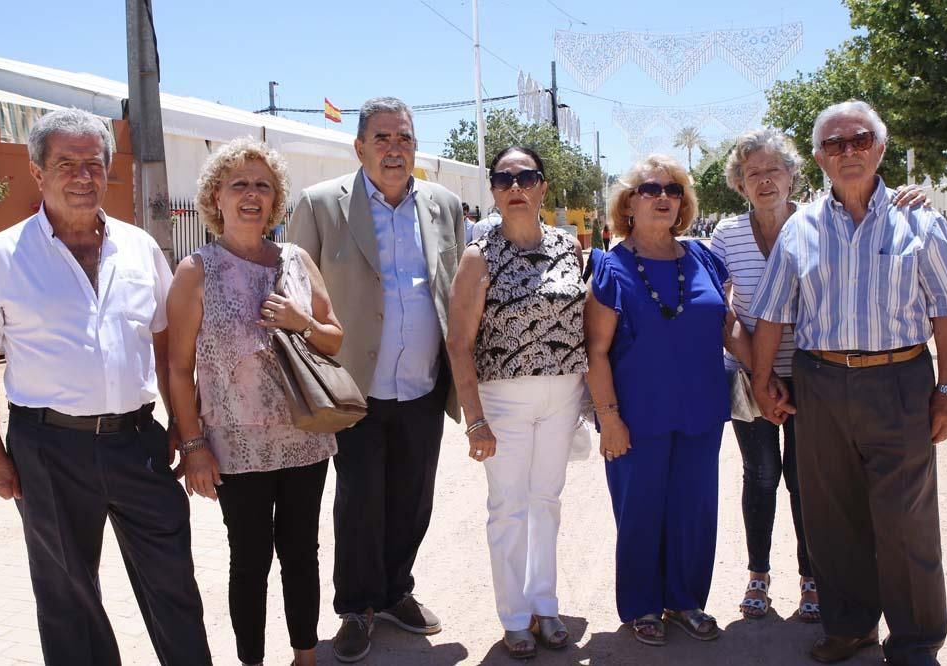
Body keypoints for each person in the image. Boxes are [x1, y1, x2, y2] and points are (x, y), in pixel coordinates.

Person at [0, 108, 212, 665]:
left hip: (138, 443)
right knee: (69, 597)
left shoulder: (140, 248)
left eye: (94, 165)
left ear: (107, 172)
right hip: (48, 450)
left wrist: (182, 423)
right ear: (37, 171)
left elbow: (167, 344)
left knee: (172, 581)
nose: (82, 176)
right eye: (66, 164)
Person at [749, 100, 947, 666]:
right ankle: (849, 629)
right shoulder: (801, 228)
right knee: (832, 514)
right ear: (818, 158)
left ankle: (917, 640)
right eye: (834, 144)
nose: (848, 152)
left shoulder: (922, 221)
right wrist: (763, 377)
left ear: (881, 148)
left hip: (900, 381)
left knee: (906, 519)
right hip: (819, 383)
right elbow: (773, 312)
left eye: (859, 140)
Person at [713, 129, 930, 624]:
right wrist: (759, 376)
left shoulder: (815, 224)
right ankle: (758, 577)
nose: (764, 180)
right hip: (750, 374)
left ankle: (813, 578)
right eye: (752, 174)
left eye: (774, 170)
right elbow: (721, 317)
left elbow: (867, 210)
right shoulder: (725, 236)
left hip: (815, 376)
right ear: (739, 185)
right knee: (761, 476)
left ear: (794, 175)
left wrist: (903, 193)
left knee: (807, 482)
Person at [288, 96, 464, 663]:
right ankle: (357, 608)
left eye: (405, 138)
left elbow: (455, 293)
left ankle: (395, 591)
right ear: (359, 145)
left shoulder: (444, 205)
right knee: (360, 501)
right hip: (351, 385)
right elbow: (294, 294)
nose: (395, 149)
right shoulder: (319, 205)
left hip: (423, 382)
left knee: (414, 499)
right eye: (383, 139)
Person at [166, 138, 342, 666]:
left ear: (276, 199)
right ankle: (251, 660)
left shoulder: (296, 260)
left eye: (262, 186)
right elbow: (178, 368)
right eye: (238, 184)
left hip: (305, 437)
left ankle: (306, 656)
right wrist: (193, 444)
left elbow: (334, 338)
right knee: (248, 561)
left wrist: (302, 321)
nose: (251, 195)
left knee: (301, 555)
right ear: (215, 197)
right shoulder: (196, 270)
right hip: (234, 445)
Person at [447, 146, 586, 659]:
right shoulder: (479, 255)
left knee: (546, 502)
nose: (516, 188)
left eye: (526, 177)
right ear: (493, 191)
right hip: (502, 399)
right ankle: (513, 616)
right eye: (504, 179)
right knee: (508, 507)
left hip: (562, 393)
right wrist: (474, 420)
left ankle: (545, 605)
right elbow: (458, 342)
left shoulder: (567, 246)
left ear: (543, 187)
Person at [585, 154, 729, 647]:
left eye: (674, 190)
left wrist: (767, 372)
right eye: (652, 189)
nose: (665, 197)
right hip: (637, 416)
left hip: (703, 411)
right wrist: (609, 419)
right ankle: (642, 606)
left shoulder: (705, 259)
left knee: (694, 510)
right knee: (641, 510)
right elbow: (596, 352)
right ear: (628, 202)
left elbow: (728, 329)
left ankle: (686, 600)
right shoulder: (611, 267)